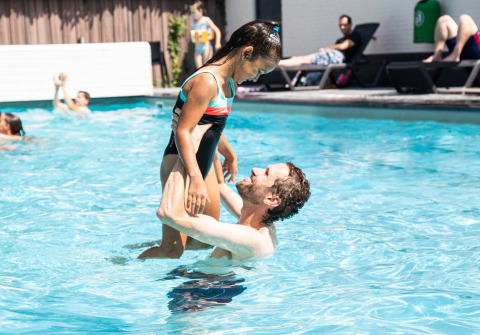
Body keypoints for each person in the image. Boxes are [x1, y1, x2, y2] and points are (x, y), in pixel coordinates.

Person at [154, 19, 282, 259]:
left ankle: (162, 242)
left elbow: (212, 126)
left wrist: (228, 153)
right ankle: (123, 264)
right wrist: (194, 178)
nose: (256, 78)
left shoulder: (229, 83)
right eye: (259, 70)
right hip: (182, 162)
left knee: (202, 242)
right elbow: (183, 131)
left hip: (203, 163)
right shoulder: (206, 81)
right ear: (246, 53)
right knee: (171, 251)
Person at [138, 123, 310, 260]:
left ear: (272, 200)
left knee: (175, 250)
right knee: (196, 245)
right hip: (206, 287)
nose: (254, 169)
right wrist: (210, 131)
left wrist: (188, 147)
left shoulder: (252, 239)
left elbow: (168, 214)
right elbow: (220, 184)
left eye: (265, 174)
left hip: (203, 298)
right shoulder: (263, 223)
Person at [278, 14, 361, 67]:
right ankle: (276, 63)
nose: (342, 27)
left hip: (337, 57)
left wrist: (326, 49)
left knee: (304, 60)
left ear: (350, 24)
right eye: (340, 25)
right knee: (298, 58)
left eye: (344, 25)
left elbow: (344, 46)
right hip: (330, 55)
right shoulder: (340, 39)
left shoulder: (355, 36)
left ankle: (275, 64)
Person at [190, 1, 222, 69]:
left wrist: (217, 43)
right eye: (191, 12)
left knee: (206, 69)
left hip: (206, 48)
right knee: (199, 71)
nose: (192, 14)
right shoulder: (193, 22)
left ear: (200, 10)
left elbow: (217, 31)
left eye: (194, 12)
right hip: (197, 49)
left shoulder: (206, 20)